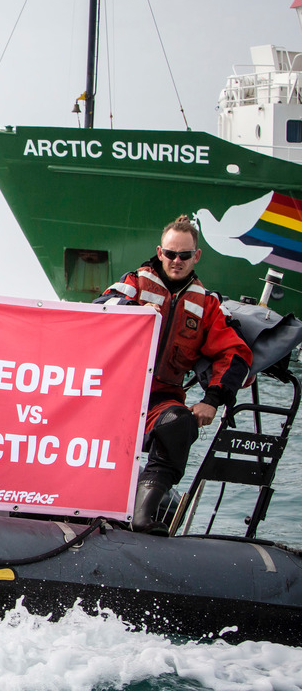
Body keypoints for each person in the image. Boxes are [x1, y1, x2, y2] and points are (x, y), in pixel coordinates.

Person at [96, 215, 252, 534]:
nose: (176, 261)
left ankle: (144, 515)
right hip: (114, 391)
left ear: (196, 256)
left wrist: (213, 399)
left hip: (160, 398)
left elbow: (234, 353)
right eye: (170, 254)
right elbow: (101, 306)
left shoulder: (208, 304)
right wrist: (133, 312)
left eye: (184, 255)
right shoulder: (135, 282)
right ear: (159, 251)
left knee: (179, 424)